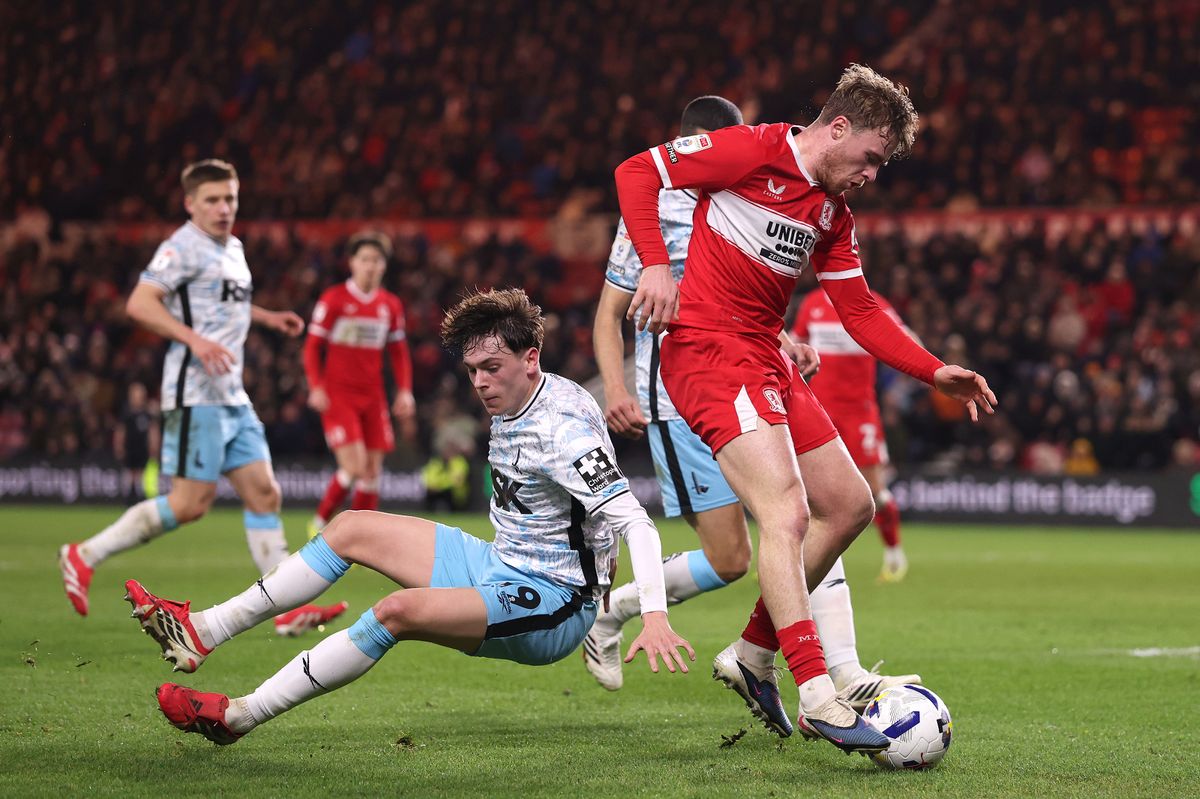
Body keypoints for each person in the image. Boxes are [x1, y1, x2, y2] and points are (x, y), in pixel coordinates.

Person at [614, 64, 996, 754]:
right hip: (706, 350)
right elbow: (637, 172)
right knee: (785, 511)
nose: (873, 175)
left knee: (850, 505)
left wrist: (934, 369)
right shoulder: (751, 149)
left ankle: (753, 654)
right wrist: (654, 263)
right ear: (839, 128)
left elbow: (860, 310)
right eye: (873, 158)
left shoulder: (832, 214)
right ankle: (819, 690)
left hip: (764, 355)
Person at [123, 288, 694, 745]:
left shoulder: (562, 430)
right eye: (472, 370)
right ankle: (205, 631)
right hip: (501, 564)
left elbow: (635, 522)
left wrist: (654, 613)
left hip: (555, 602)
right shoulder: (518, 394)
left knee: (395, 612)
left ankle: (240, 715)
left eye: (492, 367)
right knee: (349, 527)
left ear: (531, 358)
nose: (480, 382)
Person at [588, 95, 918, 727]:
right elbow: (610, 310)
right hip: (676, 390)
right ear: (698, 147)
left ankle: (830, 668)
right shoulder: (653, 209)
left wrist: (785, 342)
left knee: (817, 507)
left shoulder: (766, 193)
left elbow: (756, 292)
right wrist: (617, 388)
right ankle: (619, 608)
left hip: (750, 366)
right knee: (735, 554)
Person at [57, 159, 347, 637]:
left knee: (264, 493)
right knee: (190, 504)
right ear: (189, 203)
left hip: (231, 393)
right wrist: (193, 340)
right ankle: (84, 554)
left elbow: (222, 305)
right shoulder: (181, 247)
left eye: (230, 198)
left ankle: (285, 611)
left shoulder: (232, 247)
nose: (223, 208)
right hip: (195, 395)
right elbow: (140, 302)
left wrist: (267, 317)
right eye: (212, 200)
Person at [794, 286, 911, 582]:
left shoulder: (873, 303)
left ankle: (895, 556)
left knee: (872, 491)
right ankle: (792, 561)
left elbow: (906, 339)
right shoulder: (813, 303)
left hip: (859, 412)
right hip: (818, 409)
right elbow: (796, 342)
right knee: (803, 490)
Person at [304, 232, 416, 535]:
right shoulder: (334, 299)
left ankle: (361, 540)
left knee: (372, 472)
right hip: (339, 395)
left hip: (374, 396)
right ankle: (319, 523)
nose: (370, 266)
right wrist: (316, 386)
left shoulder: (390, 305)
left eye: (376, 261)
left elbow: (399, 352)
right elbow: (312, 347)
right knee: (353, 468)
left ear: (384, 266)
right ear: (352, 262)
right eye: (364, 259)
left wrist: (405, 390)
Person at [113, 382, 160, 504]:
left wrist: (154, 445)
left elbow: (153, 430)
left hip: (143, 449)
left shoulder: (148, 414)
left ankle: (144, 497)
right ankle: (130, 497)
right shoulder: (126, 414)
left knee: (144, 474)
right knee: (130, 473)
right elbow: (120, 431)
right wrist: (119, 445)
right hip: (130, 448)